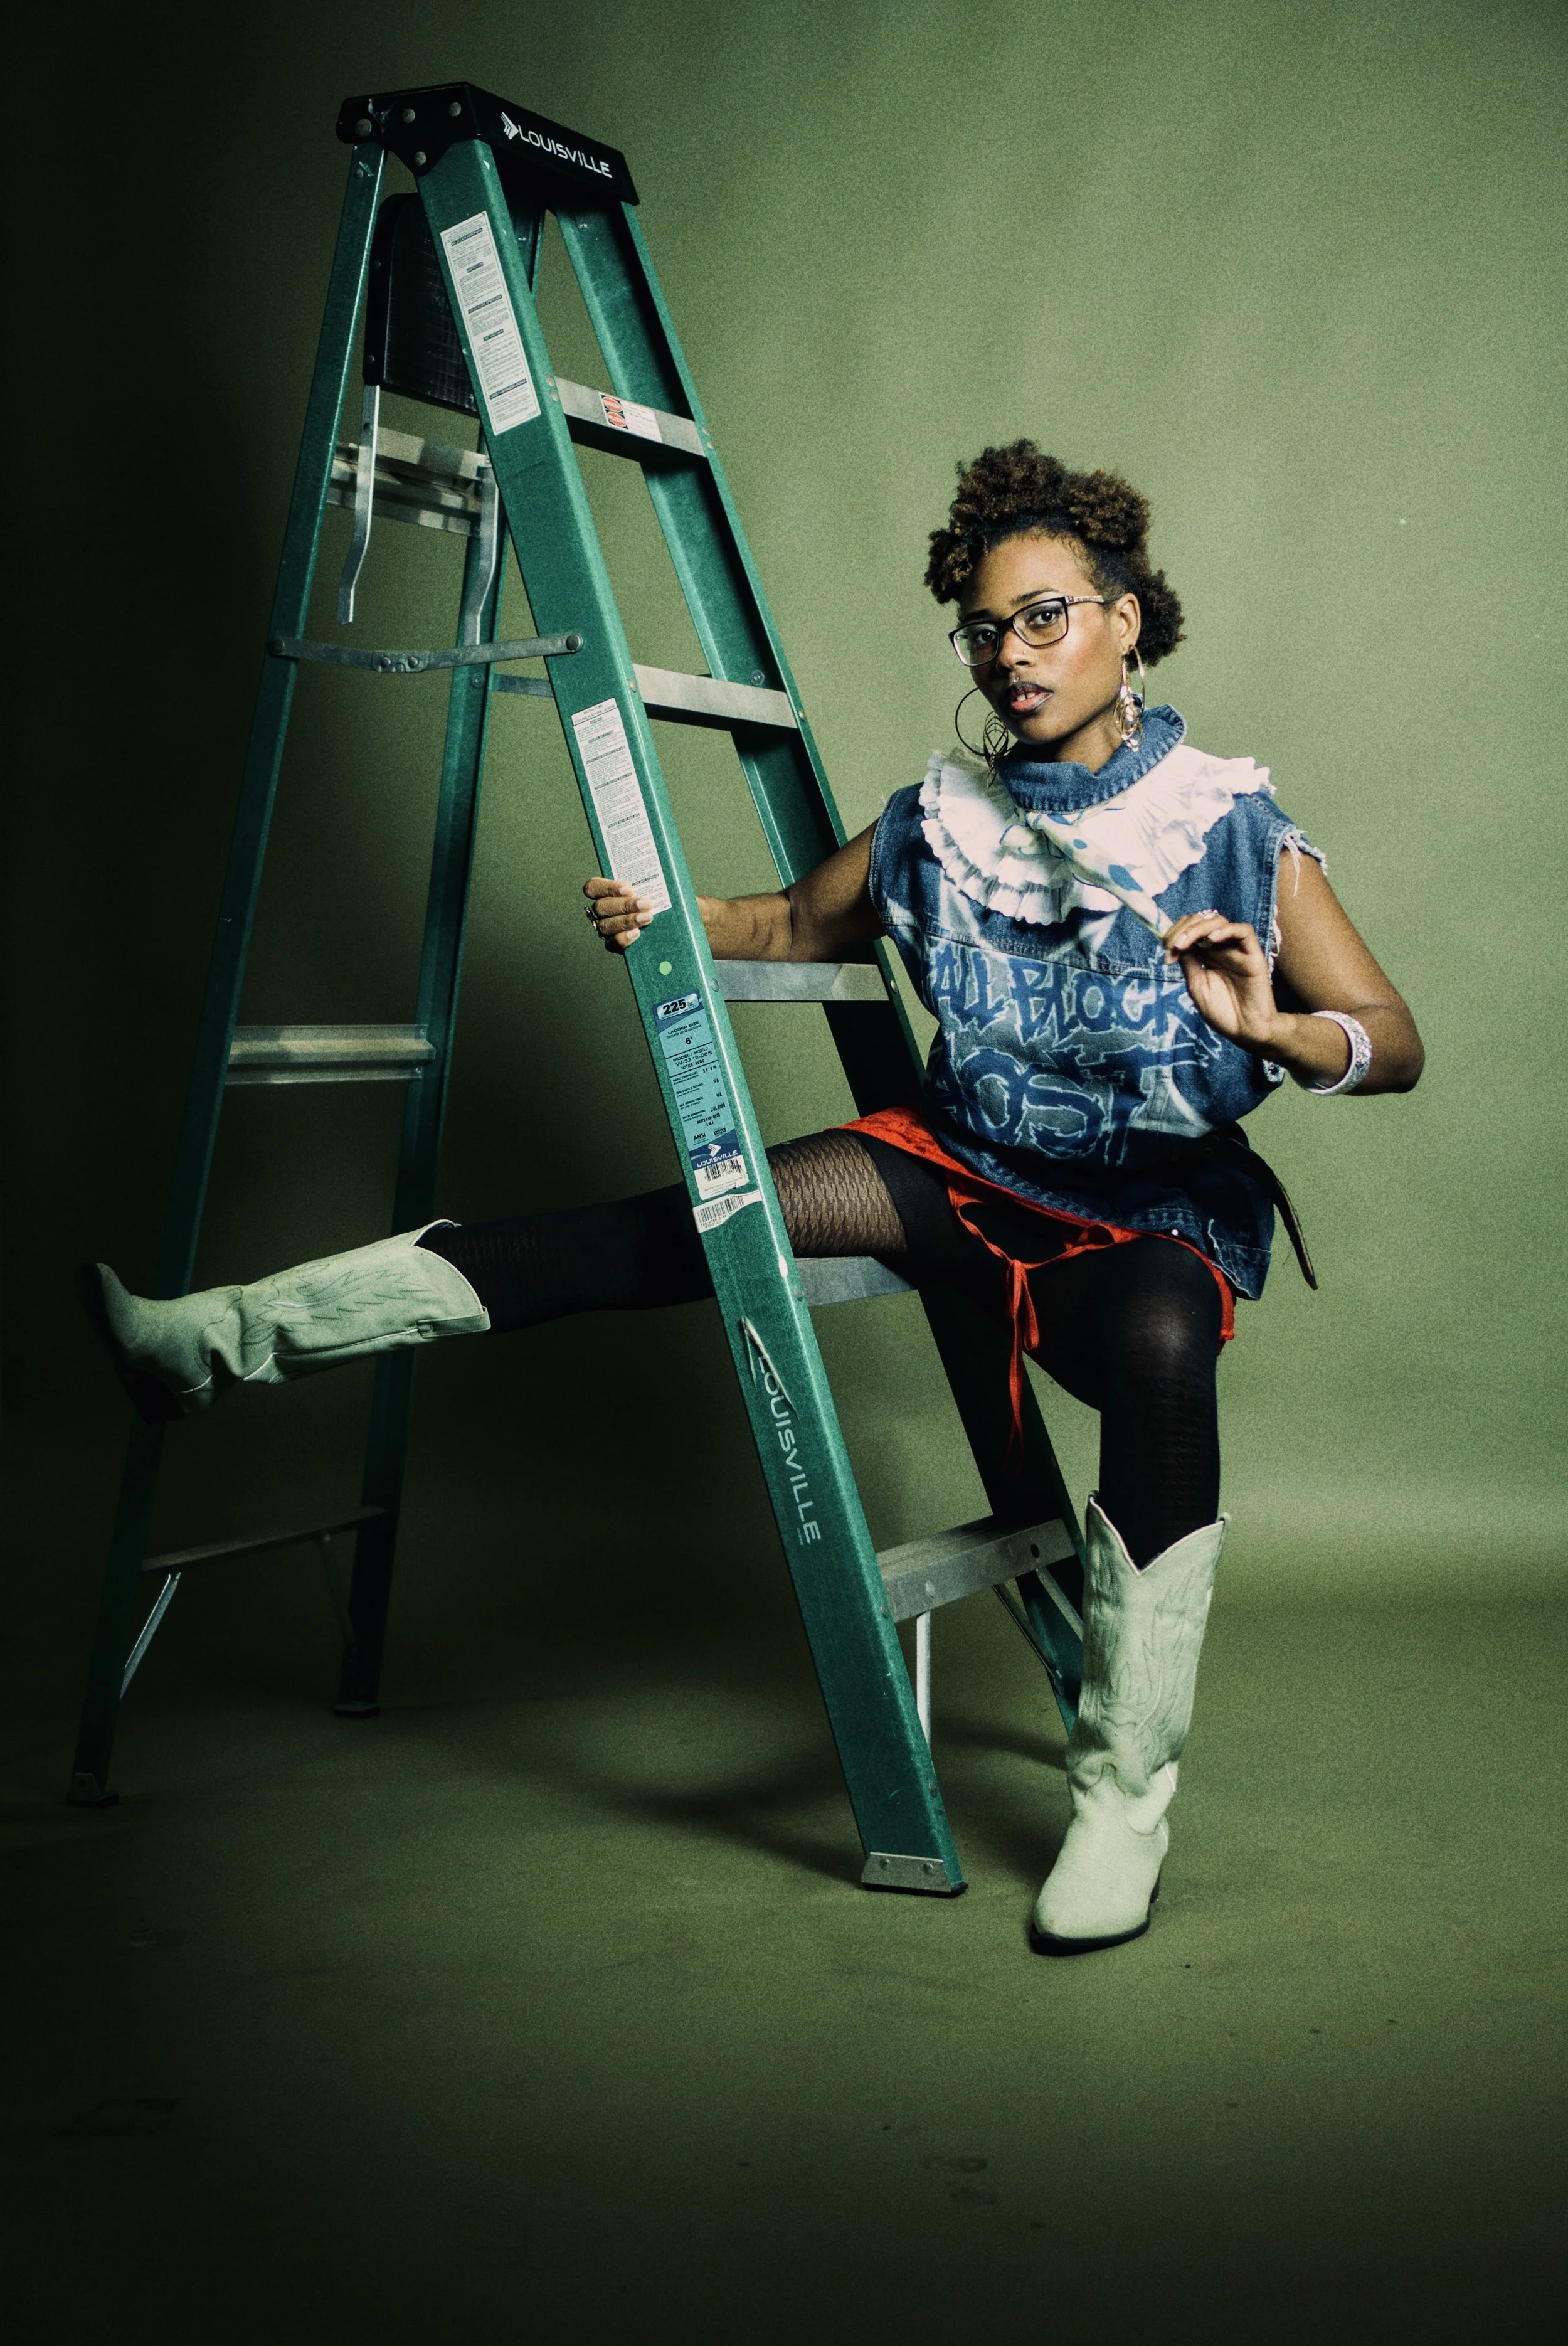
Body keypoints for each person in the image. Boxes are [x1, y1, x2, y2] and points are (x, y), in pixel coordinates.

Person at [88, 443, 1423, 1955]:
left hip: (1144, 1215)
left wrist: (1274, 1031)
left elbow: (1392, 1042)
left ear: (1127, 618)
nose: (1011, 654)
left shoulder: (1232, 821)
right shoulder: (937, 818)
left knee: (1167, 1362)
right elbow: (793, 916)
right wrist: (669, 907)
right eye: (985, 630)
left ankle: (1118, 1809)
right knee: (677, 1226)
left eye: (1045, 616)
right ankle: (211, 1343)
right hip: (957, 1171)